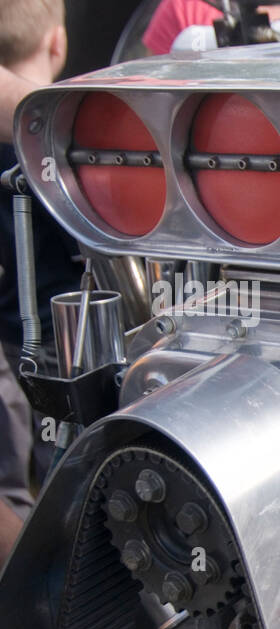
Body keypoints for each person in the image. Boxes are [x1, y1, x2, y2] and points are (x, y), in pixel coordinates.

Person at [0, 0, 76, 560]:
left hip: (11, 335)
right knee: (67, 467)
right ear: (57, 43)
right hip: (63, 339)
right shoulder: (63, 146)